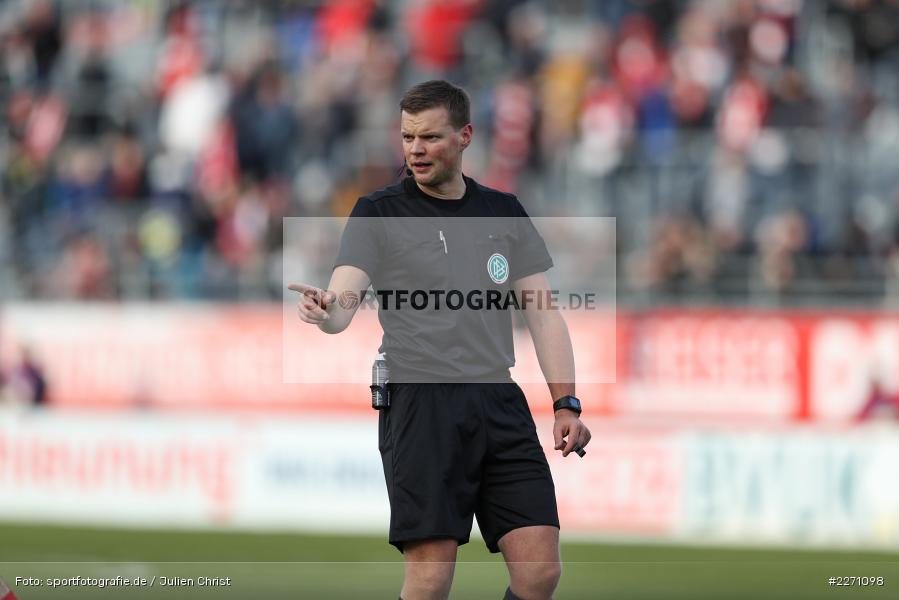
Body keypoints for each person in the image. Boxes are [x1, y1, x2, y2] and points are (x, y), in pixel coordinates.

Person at [289, 80, 590, 600]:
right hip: (421, 402)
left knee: (540, 570)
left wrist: (566, 402)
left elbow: (543, 315)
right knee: (430, 580)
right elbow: (343, 303)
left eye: (429, 137)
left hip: (498, 399)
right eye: (407, 137)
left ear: (465, 135)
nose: (415, 149)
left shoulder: (503, 210)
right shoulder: (379, 211)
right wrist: (325, 311)